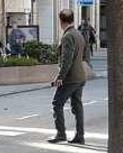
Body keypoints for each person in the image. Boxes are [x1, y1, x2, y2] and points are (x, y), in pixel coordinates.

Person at [48, 9, 90, 145]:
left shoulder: (68, 36)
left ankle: (61, 133)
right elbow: (85, 55)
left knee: (57, 103)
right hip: (80, 76)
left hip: (71, 78)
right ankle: (80, 135)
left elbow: (67, 59)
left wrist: (60, 77)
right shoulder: (79, 34)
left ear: (61, 21)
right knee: (77, 105)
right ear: (72, 19)